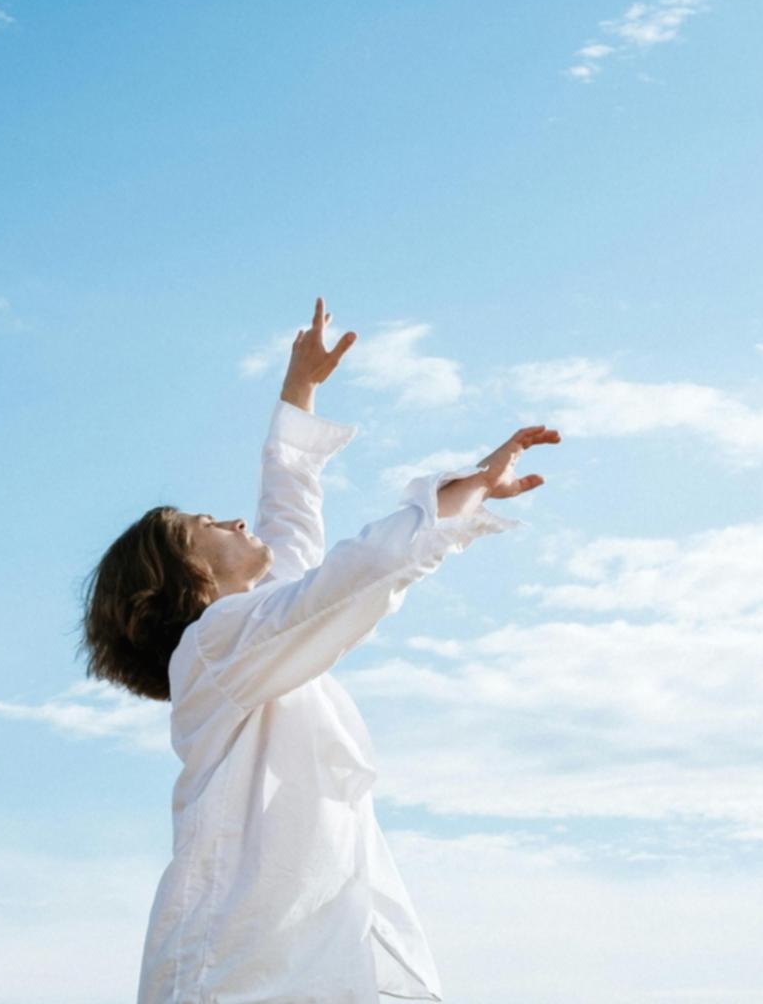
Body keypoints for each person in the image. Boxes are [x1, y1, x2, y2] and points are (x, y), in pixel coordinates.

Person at [79, 298, 558, 1002]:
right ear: (188, 580)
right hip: (241, 965)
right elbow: (344, 581)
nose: (230, 518)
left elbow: (290, 520)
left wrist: (299, 388)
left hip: (313, 943)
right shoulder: (214, 645)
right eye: (203, 524)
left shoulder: (246, 640)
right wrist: (456, 497)